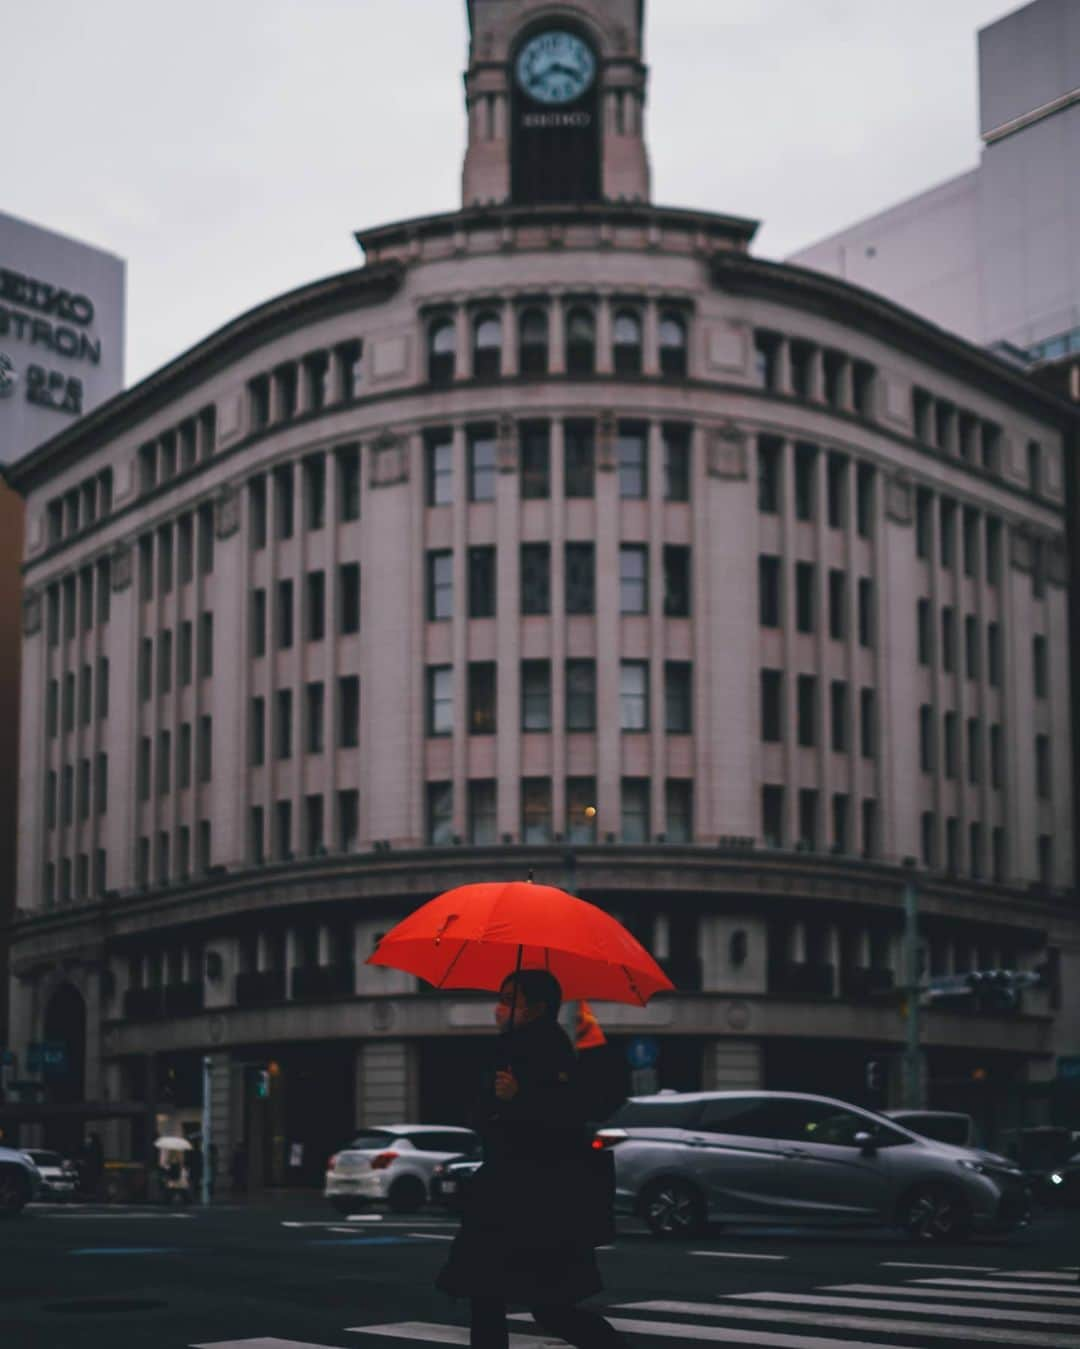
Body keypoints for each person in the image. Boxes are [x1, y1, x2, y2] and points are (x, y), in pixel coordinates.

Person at [436, 968, 627, 1349]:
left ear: (537, 1008)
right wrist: (495, 1105)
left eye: (510, 1000)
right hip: (510, 1196)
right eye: (501, 998)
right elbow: (482, 1118)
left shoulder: (549, 1052)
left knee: (543, 1305)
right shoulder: (510, 1050)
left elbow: (562, 1122)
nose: (499, 1008)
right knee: (494, 1297)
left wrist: (517, 1101)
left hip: (535, 1200)